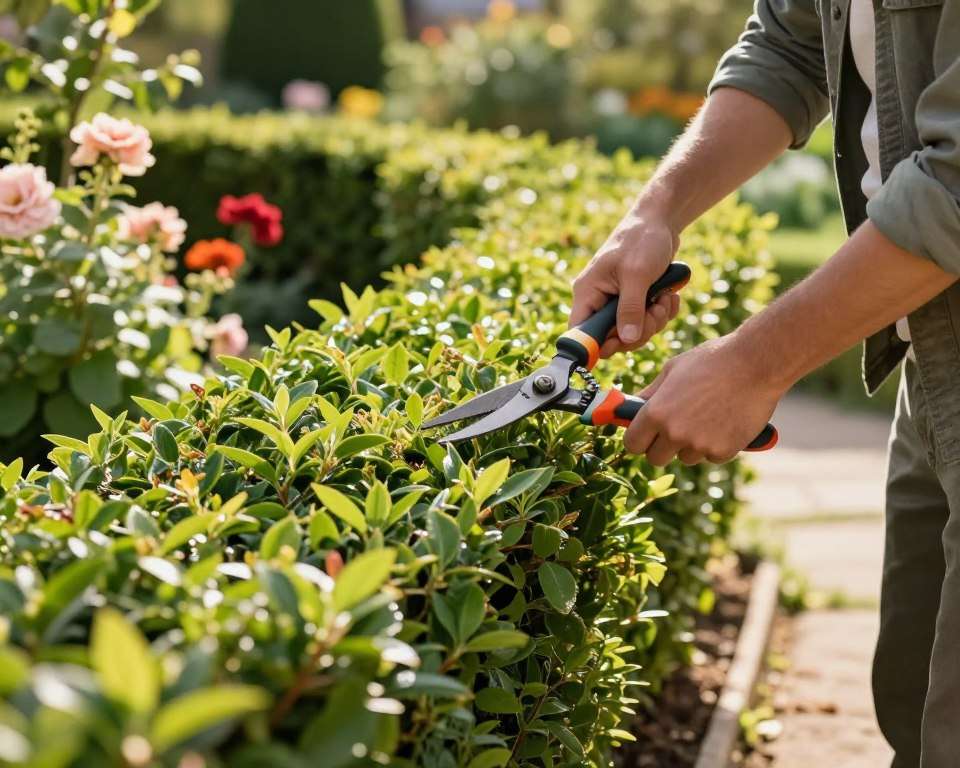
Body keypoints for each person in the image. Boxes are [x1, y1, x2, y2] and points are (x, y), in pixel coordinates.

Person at [569, 1, 960, 765]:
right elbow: (787, 45)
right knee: (914, 711)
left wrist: (752, 366)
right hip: (934, 356)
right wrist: (654, 214)